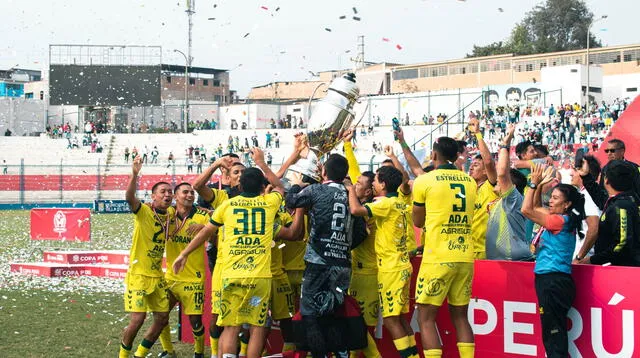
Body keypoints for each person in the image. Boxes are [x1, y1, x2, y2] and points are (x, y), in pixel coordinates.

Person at [174, 148, 302, 358]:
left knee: (231, 327)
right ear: (262, 187)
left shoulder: (227, 206)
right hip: (259, 277)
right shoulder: (269, 204)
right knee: (257, 328)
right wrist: (261, 162)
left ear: (240, 185)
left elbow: (206, 231)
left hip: (230, 275)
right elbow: (279, 186)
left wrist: (184, 253)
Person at [412, 136, 477, 358]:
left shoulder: (425, 180)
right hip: (465, 256)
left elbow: (418, 222)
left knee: (426, 318)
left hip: (437, 257)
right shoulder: (469, 181)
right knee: (460, 317)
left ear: (434, 155)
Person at [285, 153, 354, 358]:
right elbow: (358, 232)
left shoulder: (316, 190)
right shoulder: (352, 196)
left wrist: (297, 184)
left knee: (310, 314)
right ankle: (341, 354)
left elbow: (291, 201)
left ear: (323, 172)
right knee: (331, 314)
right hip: (343, 263)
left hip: (318, 262)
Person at [348, 165, 418, 358]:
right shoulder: (400, 203)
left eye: (376, 181)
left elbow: (355, 209)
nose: (374, 184)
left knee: (391, 321)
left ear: (383, 184)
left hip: (391, 268)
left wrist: (349, 189)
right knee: (401, 319)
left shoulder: (385, 204)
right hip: (403, 265)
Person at [521, 165, 585, 357]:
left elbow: (526, 209)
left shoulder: (559, 222)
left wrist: (532, 183)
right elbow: (536, 206)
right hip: (553, 280)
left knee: (553, 334)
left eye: (555, 198)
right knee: (553, 333)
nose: (551, 201)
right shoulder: (560, 218)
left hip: (552, 281)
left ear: (567, 205)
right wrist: (539, 186)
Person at [119, 156, 175, 358]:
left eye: (170, 192)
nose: (168, 195)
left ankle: (140, 355)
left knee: (162, 318)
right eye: (163, 192)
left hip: (157, 276)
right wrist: (134, 174)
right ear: (153, 197)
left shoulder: (171, 216)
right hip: (139, 275)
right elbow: (129, 197)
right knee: (138, 319)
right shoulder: (143, 211)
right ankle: (123, 356)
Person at [157, 183, 208, 358]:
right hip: (171, 276)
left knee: (195, 321)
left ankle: (199, 353)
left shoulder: (202, 216)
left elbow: (217, 236)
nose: (189, 195)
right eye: (185, 192)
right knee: (161, 315)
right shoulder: (167, 214)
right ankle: (168, 351)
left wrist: (205, 229)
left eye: (192, 193)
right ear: (176, 196)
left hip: (194, 277)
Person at [578, 159, 640, 266]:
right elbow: (600, 198)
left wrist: (593, 260)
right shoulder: (622, 200)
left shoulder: (621, 206)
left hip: (621, 271)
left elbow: (622, 244)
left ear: (606, 180)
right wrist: (586, 176)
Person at [485, 125, 534, 261]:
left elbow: (501, 174)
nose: (497, 181)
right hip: (502, 262)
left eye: (503, 181)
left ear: (512, 186)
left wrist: (505, 145)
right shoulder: (503, 201)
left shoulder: (514, 199)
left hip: (515, 263)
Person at [467, 118, 498, 259]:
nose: (471, 166)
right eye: (471, 164)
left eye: (476, 165)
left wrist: (478, 133)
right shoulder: (467, 188)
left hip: (484, 251)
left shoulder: (490, 185)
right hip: (465, 250)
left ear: (486, 171)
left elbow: (488, 161)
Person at [569, 155, 601, 262]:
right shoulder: (587, 194)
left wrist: (579, 257)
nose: (570, 173)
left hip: (584, 261)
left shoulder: (588, 197)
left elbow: (594, 228)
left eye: (575, 170)